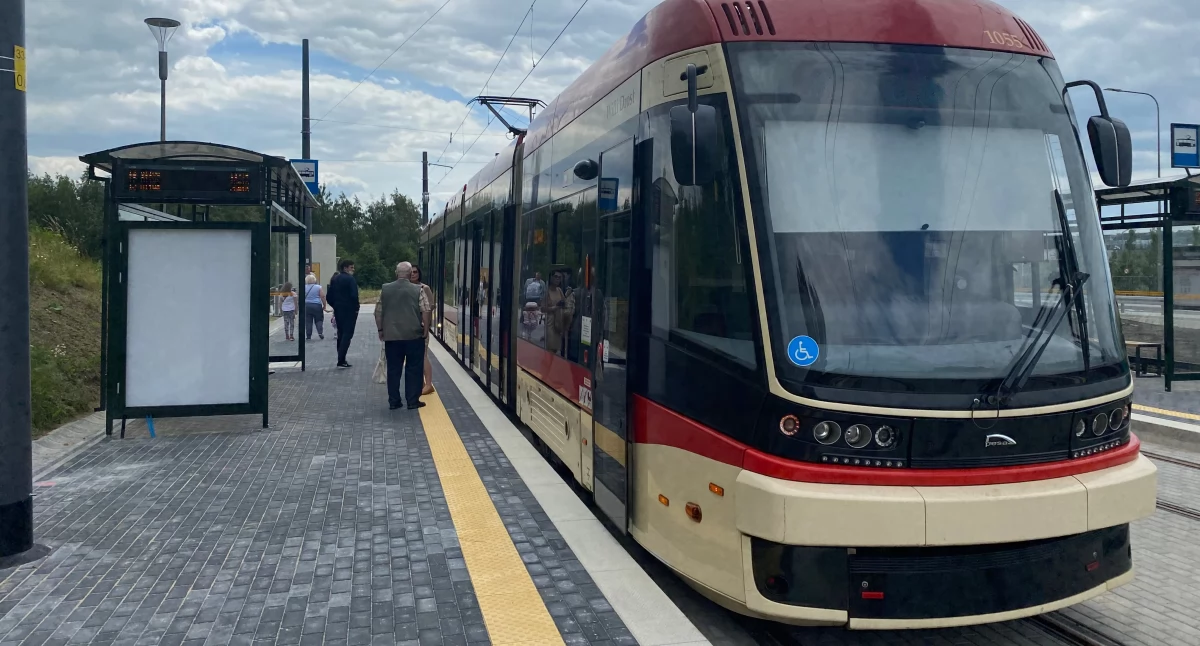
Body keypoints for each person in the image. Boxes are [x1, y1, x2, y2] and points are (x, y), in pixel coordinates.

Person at [376, 262, 430, 410]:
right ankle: (412, 401)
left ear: (396, 273)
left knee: (393, 369)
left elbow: (378, 311)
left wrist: (381, 330)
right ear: (409, 274)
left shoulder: (385, 289)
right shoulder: (418, 289)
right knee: (414, 368)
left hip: (392, 337)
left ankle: (394, 401)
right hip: (414, 336)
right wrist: (425, 330)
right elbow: (425, 310)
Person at [325, 260, 360, 368]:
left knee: (341, 333)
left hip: (339, 310)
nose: (353, 270)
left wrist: (335, 305)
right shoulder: (350, 279)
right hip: (349, 310)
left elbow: (329, 296)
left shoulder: (335, 279)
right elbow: (354, 295)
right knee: (347, 334)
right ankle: (341, 359)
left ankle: (340, 357)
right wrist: (356, 308)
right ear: (345, 268)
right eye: (351, 267)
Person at [409, 264, 436, 395]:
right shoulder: (407, 288)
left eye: (415, 272)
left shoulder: (425, 288)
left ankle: (429, 384)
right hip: (410, 327)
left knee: (423, 355)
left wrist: (426, 323)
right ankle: (421, 382)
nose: (413, 274)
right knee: (415, 357)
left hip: (421, 326)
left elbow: (431, 307)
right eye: (411, 272)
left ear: (419, 274)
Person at [541, 270, 575, 356]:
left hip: (558, 322)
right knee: (550, 348)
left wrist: (567, 295)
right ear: (551, 278)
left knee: (556, 349)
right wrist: (554, 308)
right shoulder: (547, 291)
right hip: (550, 322)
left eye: (559, 278)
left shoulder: (559, 290)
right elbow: (542, 308)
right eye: (555, 277)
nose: (557, 279)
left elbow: (563, 302)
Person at [303, 274, 328, 340]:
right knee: (319, 319)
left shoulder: (304, 287)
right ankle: (320, 332)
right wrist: (324, 305)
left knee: (308, 321)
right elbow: (322, 296)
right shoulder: (318, 287)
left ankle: (308, 335)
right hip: (317, 305)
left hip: (307, 305)